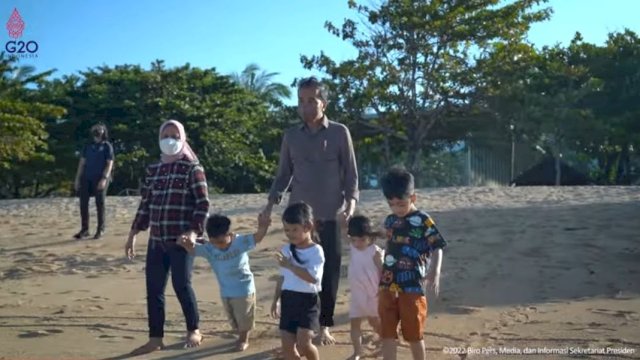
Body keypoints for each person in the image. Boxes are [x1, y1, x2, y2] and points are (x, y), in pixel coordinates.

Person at [262, 76, 359, 345]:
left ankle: (325, 325)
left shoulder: (340, 132)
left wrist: (350, 206)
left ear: (324, 103)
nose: (306, 106)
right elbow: (283, 176)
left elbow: (351, 175)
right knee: (298, 271)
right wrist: (269, 205)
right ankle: (302, 323)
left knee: (328, 274)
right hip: (300, 221)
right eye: (301, 101)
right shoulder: (291, 136)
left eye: (312, 100)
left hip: (330, 215)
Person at [124, 119, 209, 355]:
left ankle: (194, 329)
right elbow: (146, 203)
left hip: (181, 240)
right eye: (165, 135)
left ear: (182, 138)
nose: (169, 140)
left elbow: (203, 204)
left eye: (174, 135)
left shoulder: (193, 168)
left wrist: (193, 231)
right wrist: (133, 232)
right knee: (154, 289)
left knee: (181, 284)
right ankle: (155, 337)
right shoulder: (155, 170)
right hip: (157, 240)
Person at [378, 167, 447, 360]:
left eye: (400, 204)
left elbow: (437, 246)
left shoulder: (423, 220)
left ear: (413, 198)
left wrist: (435, 270)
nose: (396, 209)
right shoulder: (390, 220)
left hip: (412, 286)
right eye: (391, 204)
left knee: (414, 333)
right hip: (387, 283)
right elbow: (389, 246)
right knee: (387, 333)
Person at [178, 213, 271, 351]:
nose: (219, 246)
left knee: (244, 316)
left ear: (231, 235)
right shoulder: (210, 249)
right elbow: (192, 249)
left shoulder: (240, 242)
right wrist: (185, 242)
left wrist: (263, 226)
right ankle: (239, 332)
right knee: (233, 317)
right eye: (214, 242)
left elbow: (257, 237)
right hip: (226, 290)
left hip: (244, 288)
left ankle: (243, 338)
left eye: (221, 242)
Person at [271, 202, 324, 360]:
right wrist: (276, 300)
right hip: (288, 299)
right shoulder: (286, 250)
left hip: (308, 301)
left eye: (295, 229)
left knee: (304, 343)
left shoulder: (316, 251)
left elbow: (313, 278)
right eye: (287, 230)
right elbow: (282, 277)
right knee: (287, 347)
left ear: (307, 226)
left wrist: (291, 265)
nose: (290, 234)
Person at [346, 215, 384, 360]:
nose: (358, 243)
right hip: (357, 293)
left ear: (370, 237)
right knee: (355, 323)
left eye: (362, 239)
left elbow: (383, 272)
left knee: (374, 321)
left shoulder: (375, 251)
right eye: (354, 239)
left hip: (373, 293)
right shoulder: (353, 246)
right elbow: (344, 230)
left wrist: (380, 262)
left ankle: (385, 338)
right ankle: (357, 352)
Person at [73, 123, 114, 240]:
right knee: (83, 203)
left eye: (100, 129)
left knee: (100, 203)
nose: (97, 131)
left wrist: (104, 179)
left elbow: (109, 163)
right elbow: (82, 163)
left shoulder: (107, 146)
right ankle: (84, 229)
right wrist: (77, 179)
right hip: (86, 177)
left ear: (103, 132)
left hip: (100, 177)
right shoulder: (88, 146)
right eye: (96, 129)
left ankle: (100, 229)